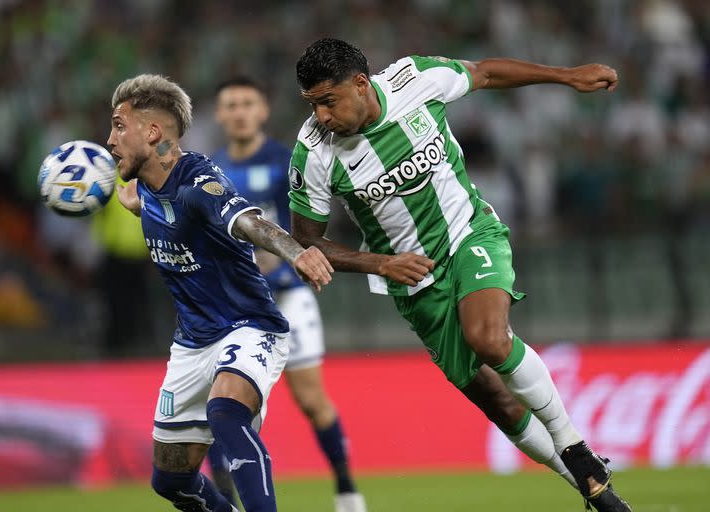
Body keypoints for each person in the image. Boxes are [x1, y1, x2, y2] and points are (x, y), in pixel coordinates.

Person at [288, 38, 631, 512]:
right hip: (413, 280)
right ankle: (597, 492)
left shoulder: (414, 80)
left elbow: (486, 72)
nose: (322, 117)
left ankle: (574, 445)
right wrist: (381, 263)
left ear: (361, 84)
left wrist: (567, 75)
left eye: (328, 101)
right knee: (501, 403)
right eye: (313, 105)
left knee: (488, 338)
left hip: (469, 234)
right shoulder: (314, 151)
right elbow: (308, 239)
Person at [108, 73, 333, 512]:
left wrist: (295, 252)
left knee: (226, 412)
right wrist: (141, 206)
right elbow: (172, 217)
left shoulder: (200, 182)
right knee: (171, 479)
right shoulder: (150, 186)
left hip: (249, 326)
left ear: (152, 132)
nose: (110, 140)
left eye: (119, 126)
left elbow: (248, 222)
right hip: (192, 342)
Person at [207, 76, 367, 512]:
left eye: (247, 103)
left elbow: (304, 228)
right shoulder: (209, 171)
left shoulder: (286, 160)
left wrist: (278, 262)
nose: (239, 111)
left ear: (262, 111)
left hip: (288, 298)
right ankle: (226, 498)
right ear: (220, 115)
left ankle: (346, 486)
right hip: (235, 306)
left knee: (312, 402)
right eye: (230, 104)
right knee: (220, 406)